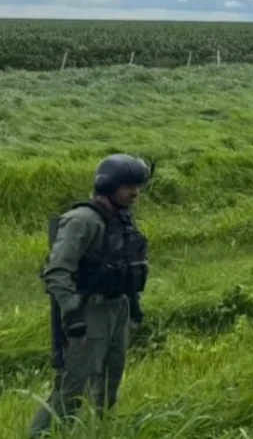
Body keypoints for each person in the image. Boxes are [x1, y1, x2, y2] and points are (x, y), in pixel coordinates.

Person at [28, 154, 153, 437]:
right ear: (109, 185)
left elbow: (126, 265)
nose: (136, 192)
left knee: (110, 382)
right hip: (89, 311)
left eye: (137, 186)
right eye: (128, 186)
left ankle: (100, 432)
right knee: (72, 388)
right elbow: (56, 271)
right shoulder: (82, 221)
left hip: (117, 308)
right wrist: (72, 314)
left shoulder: (121, 217)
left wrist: (133, 306)